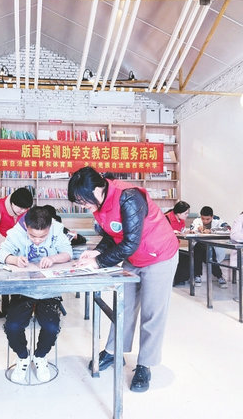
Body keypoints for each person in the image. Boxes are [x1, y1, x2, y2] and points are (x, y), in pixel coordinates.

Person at [67, 167, 179, 393]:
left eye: (83, 200)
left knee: (152, 312)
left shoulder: (129, 197)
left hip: (159, 255)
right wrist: (97, 252)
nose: (82, 205)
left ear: (97, 189)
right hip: (134, 257)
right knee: (123, 306)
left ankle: (145, 364)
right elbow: (112, 234)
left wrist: (98, 262)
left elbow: (130, 242)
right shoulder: (99, 203)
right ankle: (113, 350)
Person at [0, 206, 73, 383]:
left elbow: (67, 252)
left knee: (51, 326)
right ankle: (22, 357)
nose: (37, 241)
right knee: (12, 326)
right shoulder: (17, 231)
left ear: (49, 228)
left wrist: (53, 258)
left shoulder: (57, 229)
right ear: (26, 226)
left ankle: (40, 356)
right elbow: (1, 252)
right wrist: (14, 259)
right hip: (23, 288)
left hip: (49, 289)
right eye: (32, 236)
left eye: (43, 237)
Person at [0, 187, 33, 318]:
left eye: (25, 209)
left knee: (12, 267)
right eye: (20, 208)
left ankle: (7, 298)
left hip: (10, 240)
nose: (23, 211)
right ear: (12, 203)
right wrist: (8, 245)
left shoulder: (24, 210)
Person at [190, 206, 230, 288]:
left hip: (214, 247)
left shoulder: (217, 220)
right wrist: (197, 229)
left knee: (206, 249)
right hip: (201, 247)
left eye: (207, 219)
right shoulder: (197, 221)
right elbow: (191, 230)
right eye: (203, 218)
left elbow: (228, 229)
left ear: (212, 217)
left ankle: (197, 275)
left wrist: (212, 230)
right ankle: (219, 276)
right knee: (200, 246)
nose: (205, 221)